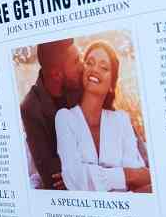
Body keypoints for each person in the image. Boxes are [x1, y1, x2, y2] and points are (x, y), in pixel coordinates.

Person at [55, 41, 150, 192]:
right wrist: (124, 176)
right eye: (89, 63)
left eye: (104, 67)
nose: (94, 70)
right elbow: (75, 178)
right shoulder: (65, 118)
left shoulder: (121, 120)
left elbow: (140, 175)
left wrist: (88, 177)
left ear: (112, 83)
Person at [20, 38, 83, 190]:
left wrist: (77, 173)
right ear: (56, 74)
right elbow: (52, 179)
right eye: (76, 62)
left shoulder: (80, 82)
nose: (82, 66)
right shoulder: (31, 108)